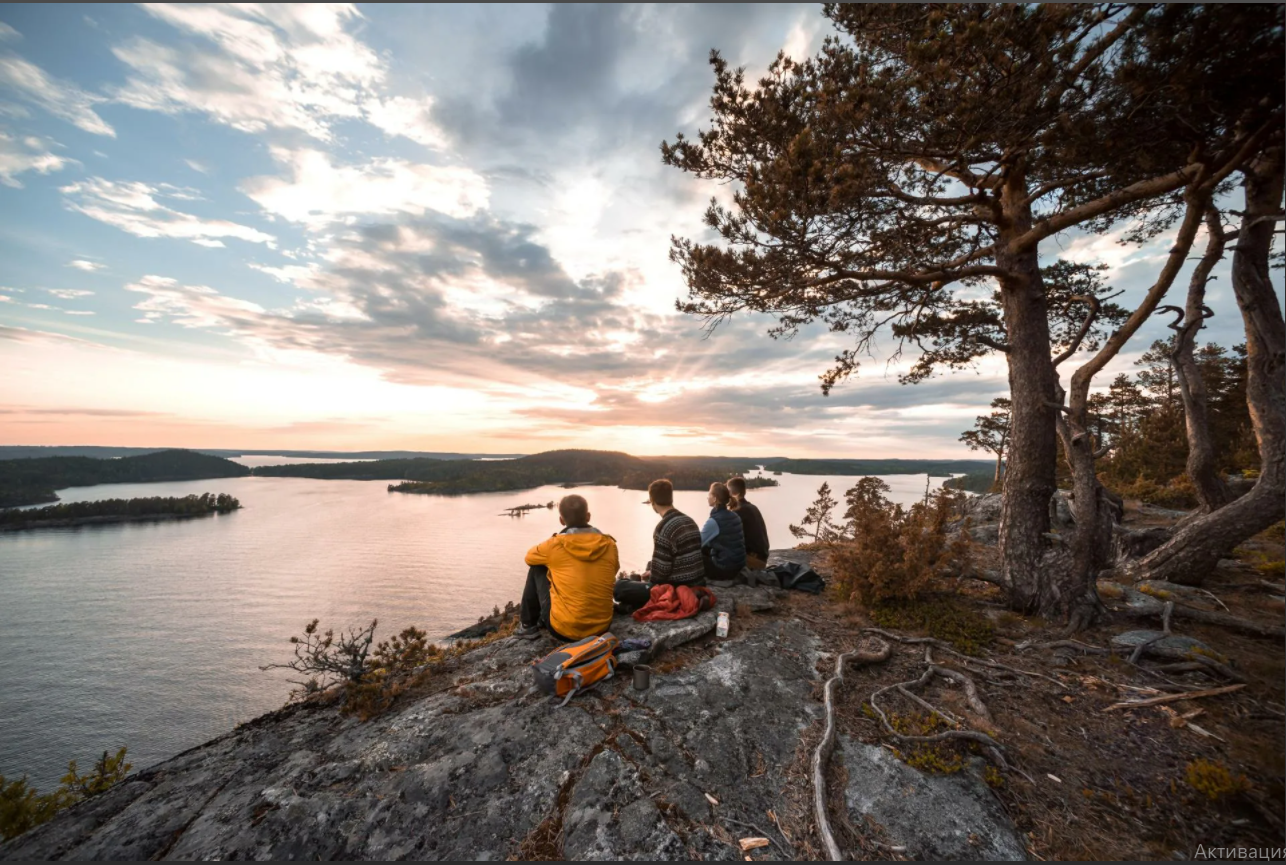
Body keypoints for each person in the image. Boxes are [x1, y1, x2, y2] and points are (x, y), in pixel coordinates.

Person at [517, 494, 619, 641]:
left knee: (537, 566)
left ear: (561, 520)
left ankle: (528, 626)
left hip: (564, 630)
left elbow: (529, 558)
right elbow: (613, 571)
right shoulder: (610, 544)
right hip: (602, 627)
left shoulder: (555, 545)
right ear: (588, 516)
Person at [613, 479, 704, 611]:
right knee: (650, 565)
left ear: (652, 501)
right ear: (670, 498)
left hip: (675, 589)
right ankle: (630, 605)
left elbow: (659, 576)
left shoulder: (663, 528)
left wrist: (651, 574)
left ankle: (630, 606)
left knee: (620, 587)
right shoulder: (690, 521)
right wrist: (652, 568)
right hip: (698, 583)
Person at [700, 481, 746, 583]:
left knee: (695, 556)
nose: (707, 497)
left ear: (715, 498)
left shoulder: (714, 521)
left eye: (709, 494)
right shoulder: (735, 515)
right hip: (738, 567)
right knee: (707, 548)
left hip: (725, 570)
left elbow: (697, 544)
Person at [728, 476, 770, 570]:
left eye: (728, 492)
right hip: (762, 558)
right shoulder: (752, 507)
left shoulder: (739, 511)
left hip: (753, 561)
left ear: (735, 493)